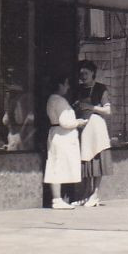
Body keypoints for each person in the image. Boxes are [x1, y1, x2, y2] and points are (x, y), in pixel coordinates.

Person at [70, 61, 112, 206]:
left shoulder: (101, 88)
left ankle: (95, 195)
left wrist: (91, 107)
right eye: (81, 74)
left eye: (86, 73)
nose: (83, 76)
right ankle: (86, 194)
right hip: (84, 127)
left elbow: (107, 111)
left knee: (97, 160)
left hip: (96, 127)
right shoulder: (79, 89)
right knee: (86, 161)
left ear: (93, 73)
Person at [43, 75, 87, 209]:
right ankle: (57, 199)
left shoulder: (52, 99)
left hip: (57, 135)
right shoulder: (60, 101)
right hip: (62, 137)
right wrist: (78, 122)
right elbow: (65, 122)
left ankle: (58, 198)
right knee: (58, 166)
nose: (68, 87)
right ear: (60, 85)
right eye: (66, 84)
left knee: (56, 165)